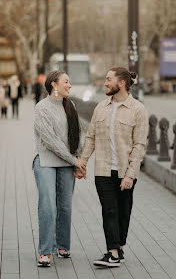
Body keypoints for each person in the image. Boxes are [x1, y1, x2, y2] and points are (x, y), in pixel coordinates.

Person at [75, 67, 148, 267]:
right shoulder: (100, 108)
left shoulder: (138, 110)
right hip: (103, 170)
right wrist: (83, 161)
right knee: (109, 211)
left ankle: (119, 246)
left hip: (125, 171)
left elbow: (139, 146)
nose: (105, 83)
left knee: (124, 212)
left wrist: (130, 175)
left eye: (109, 79)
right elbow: (90, 137)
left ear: (121, 82)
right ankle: (113, 253)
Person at [33, 70, 86, 268]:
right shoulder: (42, 108)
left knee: (65, 206)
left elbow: (78, 133)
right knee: (48, 206)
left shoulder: (69, 105)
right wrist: (74, 161)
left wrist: (80, 159)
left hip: (67, 163)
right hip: (46, 162)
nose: (69, 85)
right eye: (66, 82)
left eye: (70, 82)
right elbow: (51, 142)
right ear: (54, 84)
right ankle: (45, 251)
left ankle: (62, 245)